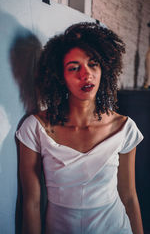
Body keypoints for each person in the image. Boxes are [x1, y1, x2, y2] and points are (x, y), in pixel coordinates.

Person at [16, 22, 144, 234]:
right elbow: (31, 203)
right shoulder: (35, 128)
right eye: (74, 68)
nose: (86, 75)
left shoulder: (124, 128)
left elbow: (129, 197)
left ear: (104, 69)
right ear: (60, 76)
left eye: (93, 64)